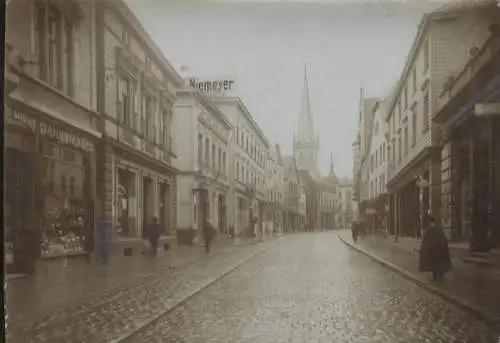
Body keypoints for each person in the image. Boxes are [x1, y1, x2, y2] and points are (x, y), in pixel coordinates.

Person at [419, 215, 452, 281]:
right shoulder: (431, 231)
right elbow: (426, 241)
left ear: (433, 222)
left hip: (437, 251)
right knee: (434, 265)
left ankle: (439, 276)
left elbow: (442, 240)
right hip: (433, 252)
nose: (431, 224)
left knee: (437, 265)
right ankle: (436, 276)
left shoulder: (436, 230)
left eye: (431, 223)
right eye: (430, 223)